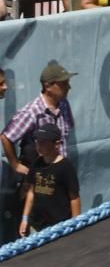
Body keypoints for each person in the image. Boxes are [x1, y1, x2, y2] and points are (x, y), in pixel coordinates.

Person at [1, 61, 76, 195]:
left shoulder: (64, 105)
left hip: (61, 176)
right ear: (48, 86)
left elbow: (65, 135)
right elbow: (6, 137)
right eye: (63, 84)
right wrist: (15, 165)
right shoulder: (32, 112)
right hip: (40, 181)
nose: (68, 87)